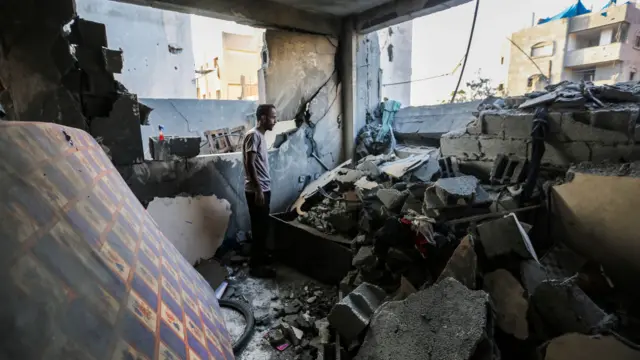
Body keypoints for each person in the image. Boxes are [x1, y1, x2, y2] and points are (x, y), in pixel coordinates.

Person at [243, 104, 277, 278]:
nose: (275, 120)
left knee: (262, 227)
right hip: (257, 190)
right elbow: (249, 163)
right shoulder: (253, 135)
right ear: (263, 118)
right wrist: (258, 189)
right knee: (259, 229)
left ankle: (260, 258)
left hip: (263, 188)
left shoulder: (260, 137)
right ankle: (256, 268)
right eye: (272, 117)